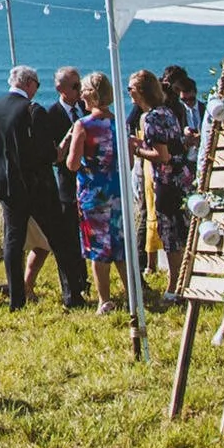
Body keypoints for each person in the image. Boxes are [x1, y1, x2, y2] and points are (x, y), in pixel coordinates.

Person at [0, 67, 85, 311]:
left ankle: (16, 299)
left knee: (13, 240)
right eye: (37, 85)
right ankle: (72, 294)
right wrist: (61, 148)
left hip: (7, 185)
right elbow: (48, 154)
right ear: (28, 83)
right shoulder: (32, 110)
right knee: (59, 237)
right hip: (37, 185)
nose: (37, 90)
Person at [65, 71, 127, 314]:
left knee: (98, 248)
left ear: (91, 94)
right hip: (116, 189)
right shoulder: (119, 122)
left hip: (94, 191)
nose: (80, 94)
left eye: (83, 90)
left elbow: (72, 163)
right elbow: (128, 160)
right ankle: (132, 292)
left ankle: (105, 299)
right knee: (120, 243)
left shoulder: (84, 125)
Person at [129, 71, 191, 294]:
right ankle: (183, 281)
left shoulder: (152, 117)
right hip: (180, 177)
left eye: (131, 89)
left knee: (171, 237)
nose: (129, 94)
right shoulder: (167, 112)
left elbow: (161, 154)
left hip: (166, 180)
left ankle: (174, 286)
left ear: (141, 92)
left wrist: (137, 149)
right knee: (181, 233)